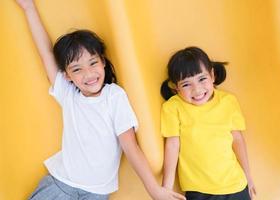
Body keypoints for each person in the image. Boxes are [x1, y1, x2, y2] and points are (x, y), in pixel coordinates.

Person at [16, 1, 186, 200]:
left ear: (103, 62)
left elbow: (131, 148)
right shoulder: (68, 94)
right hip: (60, 186)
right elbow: (45, 53)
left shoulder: (114, 96)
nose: (88, 74)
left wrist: (154, 191)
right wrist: (29, 8)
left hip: (96, 194)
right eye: (77, 69)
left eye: (93, 63)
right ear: (67, 75)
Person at [160, 47, 256, 200]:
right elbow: (172, 145)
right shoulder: (172, 107)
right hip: (199, 191)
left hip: (236, 185)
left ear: (212, 75)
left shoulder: (228, 101)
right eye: (186, 84)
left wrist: (248, 176)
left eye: (202, 79)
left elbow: (237, 140)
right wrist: (166, 188)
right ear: (175, 87)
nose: (197, 89)